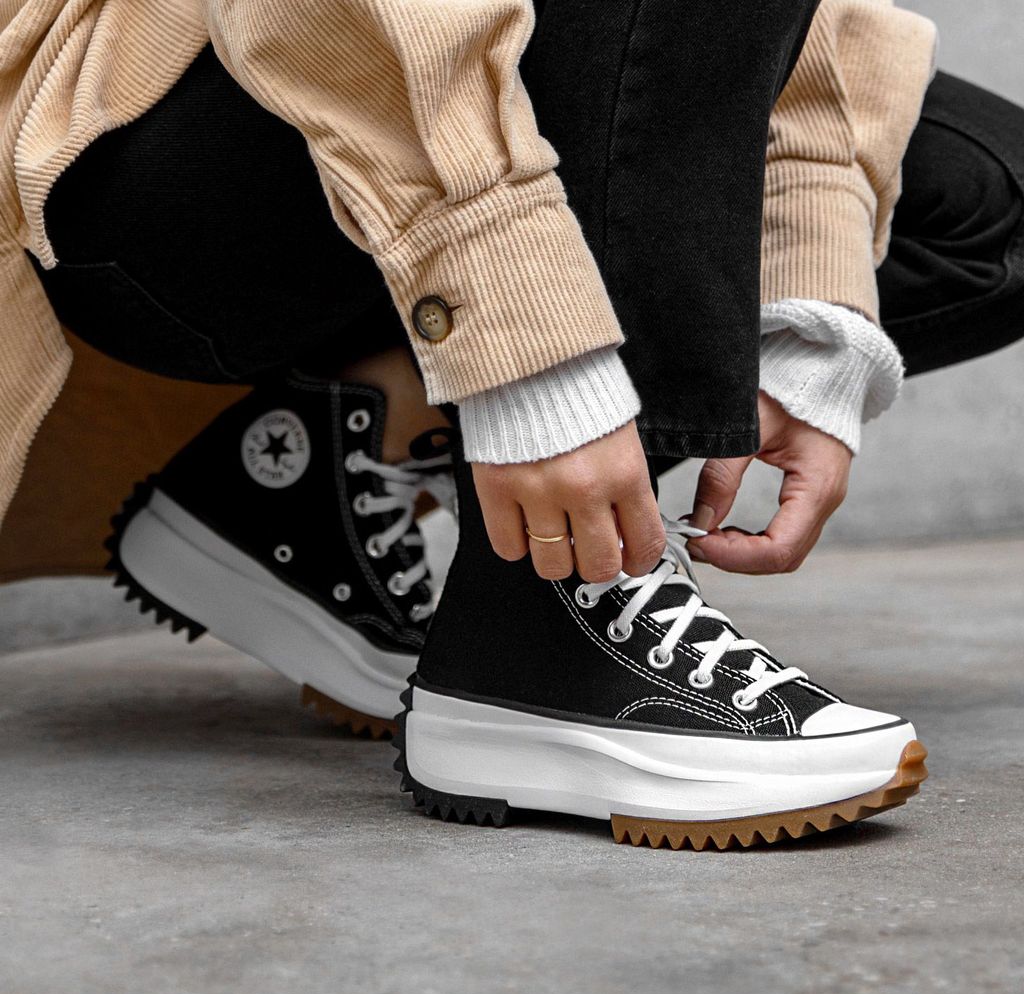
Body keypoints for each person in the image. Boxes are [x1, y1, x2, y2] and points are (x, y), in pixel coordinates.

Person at [1, 0, 1021, 848]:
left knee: (990, 204)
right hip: (159, 140)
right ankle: (538, 632)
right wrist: (527, 351)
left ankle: (325, 453)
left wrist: (809, 305)